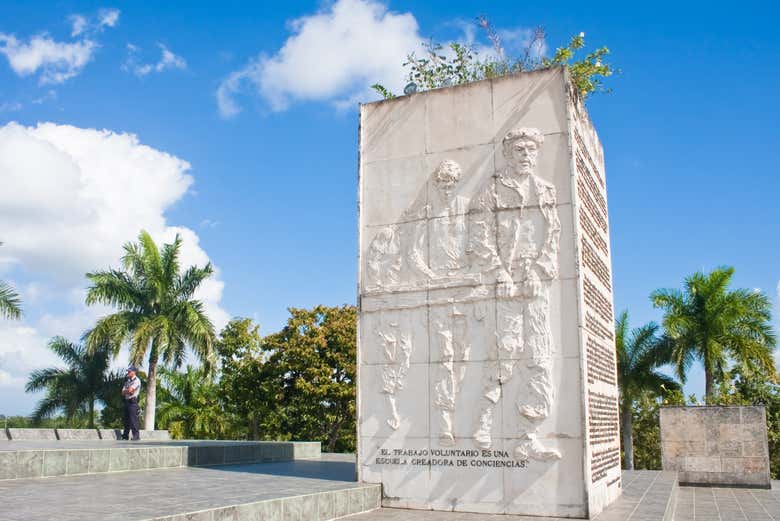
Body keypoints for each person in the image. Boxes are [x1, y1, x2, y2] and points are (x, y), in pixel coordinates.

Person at [468, 126, 562, 461]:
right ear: (508, 154)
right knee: (504, 352)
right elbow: (478, 235)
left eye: (531, 150)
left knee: (538, 356)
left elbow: (553, 236)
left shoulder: (546, 190)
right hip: (504, 282)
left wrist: (539, 271)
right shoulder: (492, 189)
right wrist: (499, 273)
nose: (526, 155)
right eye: (520, 150)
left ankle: (528, 436)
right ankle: (484, 419)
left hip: (534, 284)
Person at [121, 366, 141, 441]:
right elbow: (122, 392)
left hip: (133, 401)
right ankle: (125, 435)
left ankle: (136, 436)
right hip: (127, 401)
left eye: (129, 371)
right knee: (126, 419)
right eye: (128, 371)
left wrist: (128, 391)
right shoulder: (127, 381)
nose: (128, 372)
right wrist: (128, 391)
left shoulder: (137, 380)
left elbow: (131, 390)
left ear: (134, 372)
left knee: (133, 420)